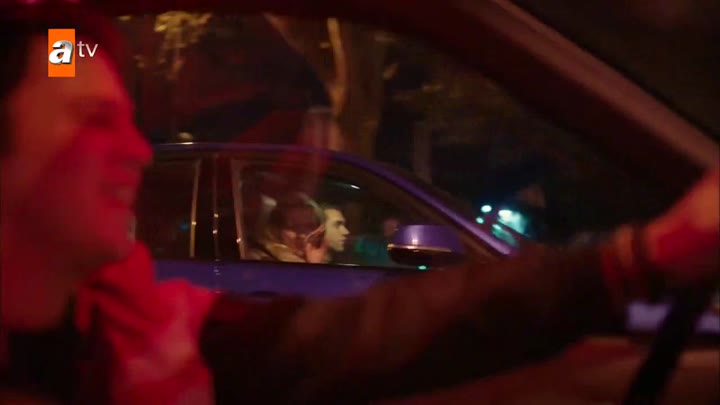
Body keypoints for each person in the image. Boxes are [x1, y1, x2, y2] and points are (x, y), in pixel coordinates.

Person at [0, 3, 718, 404]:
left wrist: (637, 258)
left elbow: (363, 335)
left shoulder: (139, 335)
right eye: (93, 121)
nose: (137, 149)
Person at [246, 192, 328, 263]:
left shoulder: (326, 257)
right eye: (294, 227)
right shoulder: (261, 259)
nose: (302, 235)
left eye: (309, 226)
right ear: (276, 231)